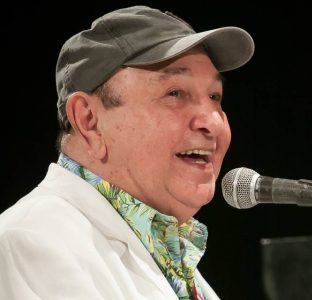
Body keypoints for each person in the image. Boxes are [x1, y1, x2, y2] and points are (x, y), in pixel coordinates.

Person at [0, 5, 254, 300]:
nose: (211, 122)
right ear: (88, 121)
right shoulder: (31, 243)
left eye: (214, 97)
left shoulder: (166, 253)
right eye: (175, 94)